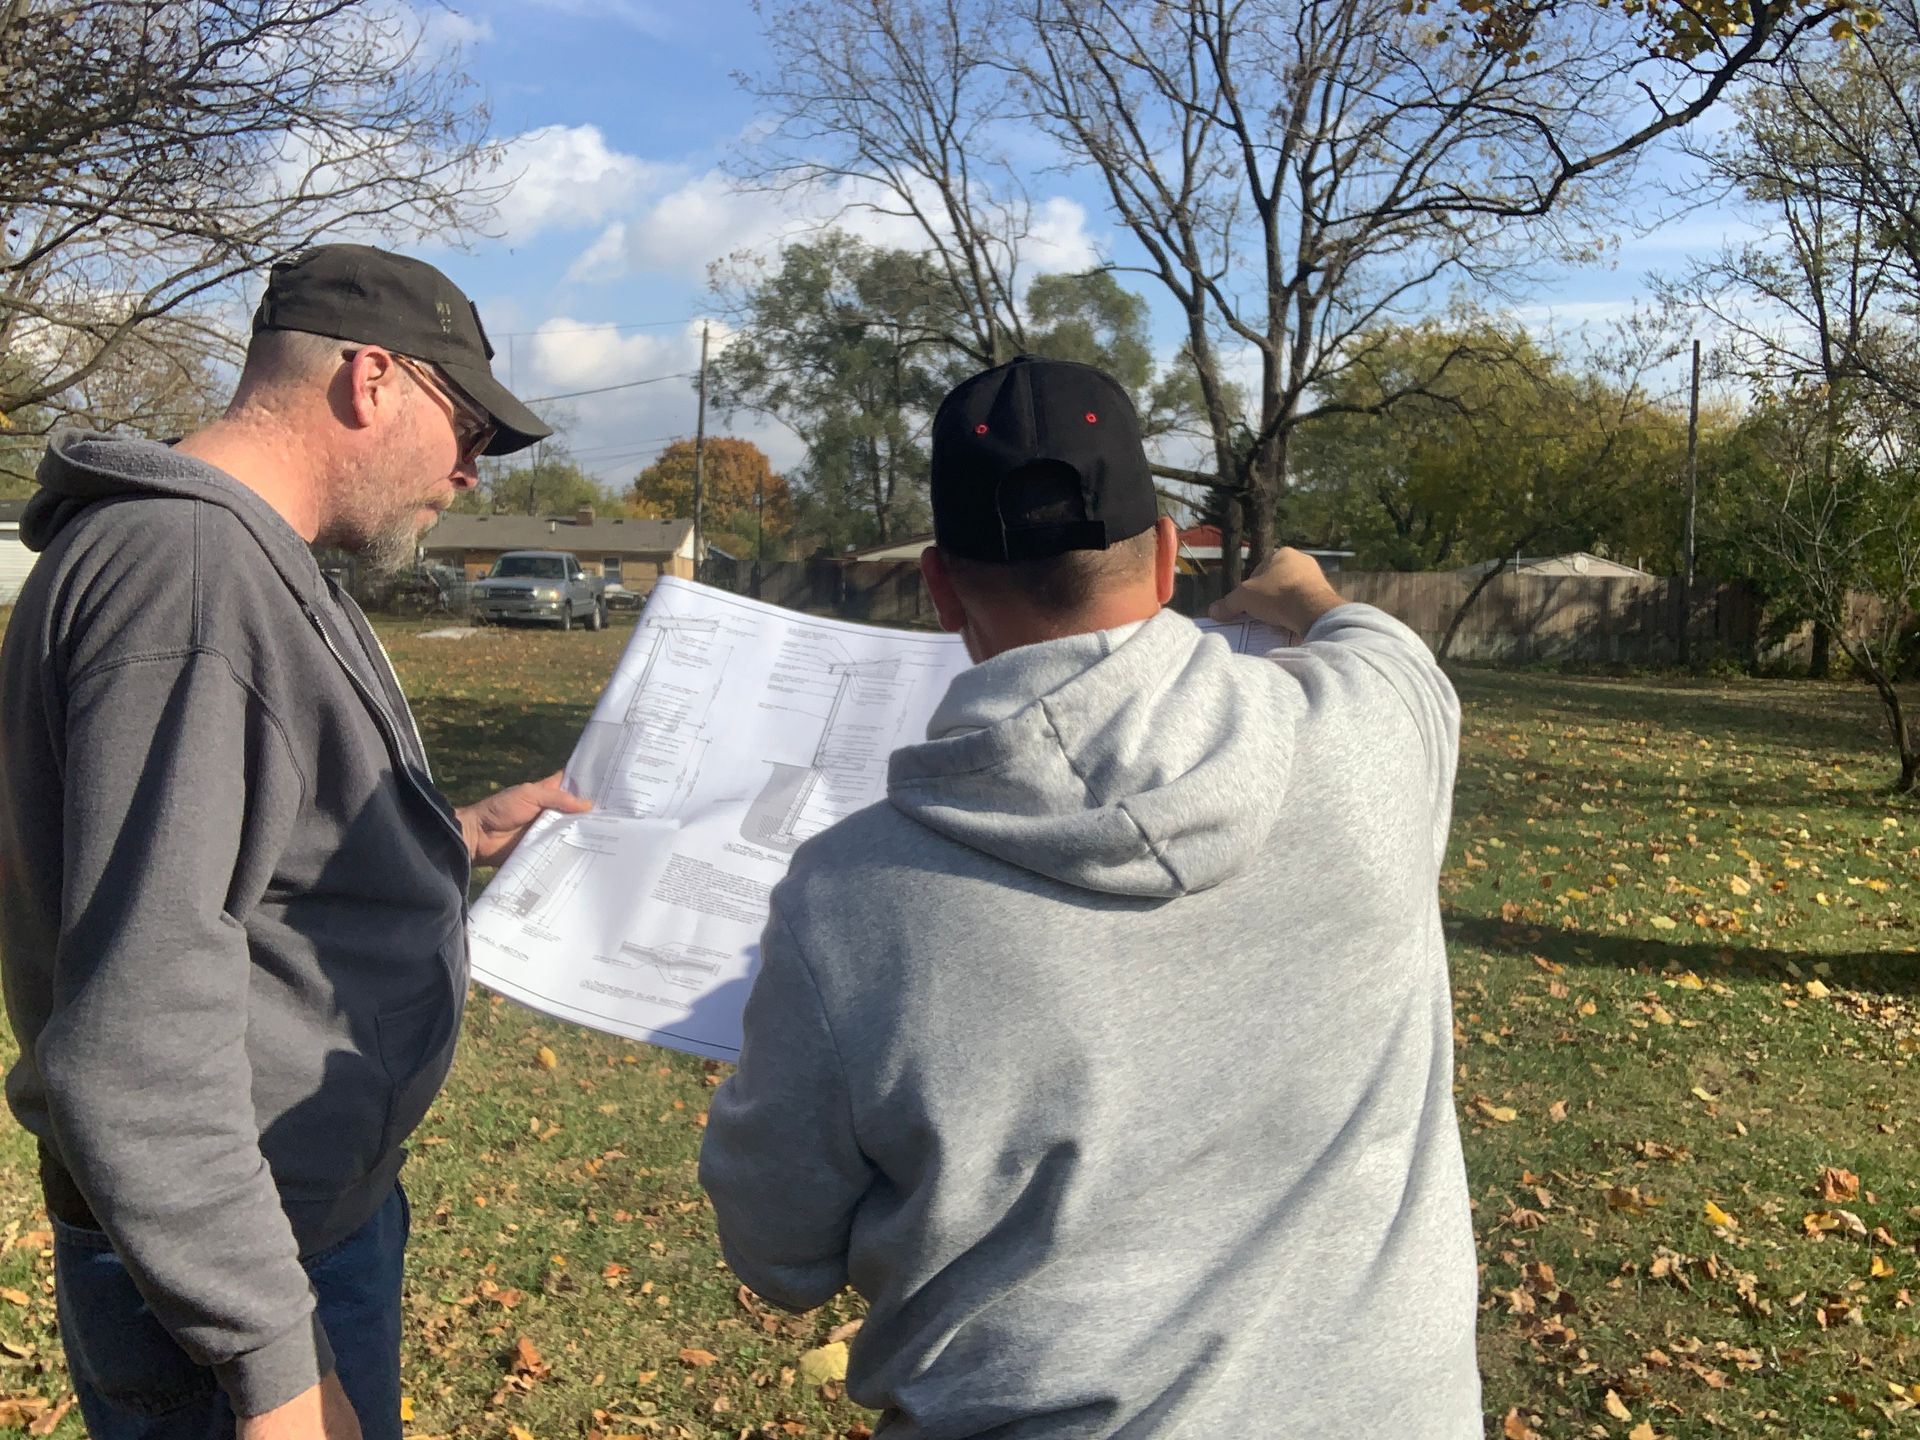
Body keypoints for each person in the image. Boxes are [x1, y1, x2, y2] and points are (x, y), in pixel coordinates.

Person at [699, 356, 1481, 1436]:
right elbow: (1391, 653)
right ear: (1168, 557)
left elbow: (778, 1255)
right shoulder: (1373, 738)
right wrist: (1304, 594)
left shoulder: (844, 901)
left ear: (939, 587)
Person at [0, 244, 592, 1440]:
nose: (472, 473)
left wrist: (459, 833)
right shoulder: (190, 575)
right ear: (372, 378)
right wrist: (271, 1362)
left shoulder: (247, 565)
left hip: (269, 1229)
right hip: (230, 1265)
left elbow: (233, 857)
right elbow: (136, 1029)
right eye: (469, 426)